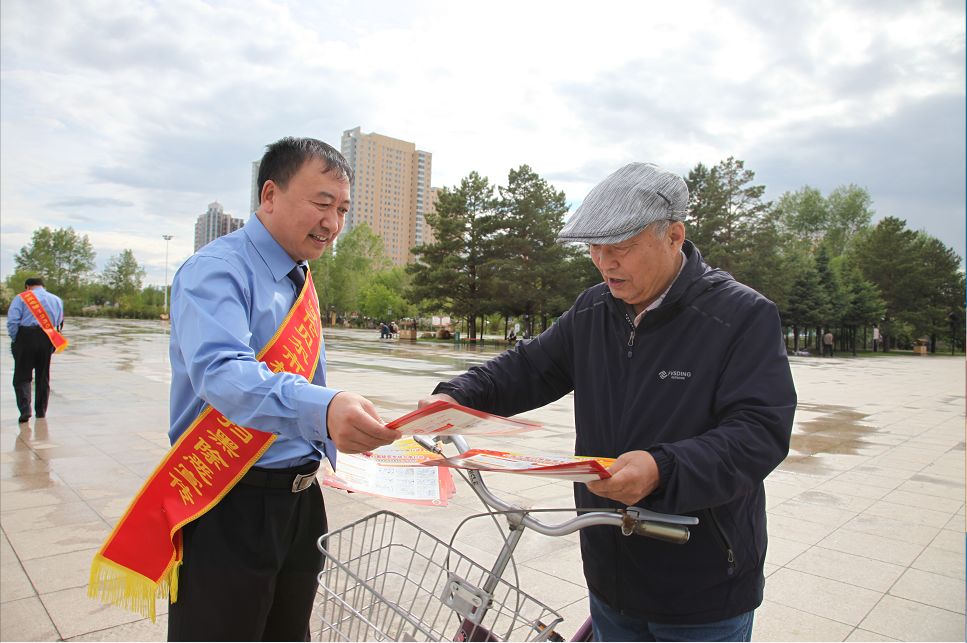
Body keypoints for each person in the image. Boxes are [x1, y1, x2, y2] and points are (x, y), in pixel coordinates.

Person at [419, 163, 796, 642]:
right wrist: (456, 395)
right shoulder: (594, 309)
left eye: (619, 248)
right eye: (594, 248)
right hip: (608, 571)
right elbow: (530, 368)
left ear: (674, 236)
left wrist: (663, 468)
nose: (604, 262)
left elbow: (759, 433)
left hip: (701, 582)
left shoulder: (741, 316)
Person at [166, 137, 399, 640]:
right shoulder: (216, 270)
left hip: (299, 501)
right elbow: (223, 373)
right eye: (321, 204)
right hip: (229, 501)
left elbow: (307, 383)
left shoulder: (299, 276)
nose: (333, 223)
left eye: (342, 209)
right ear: (270, 194)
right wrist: (325, 407)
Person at [7, 277, 64, 424]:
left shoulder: (21, 298)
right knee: (43, 376)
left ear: (27, 287)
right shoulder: (56, 299)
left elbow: (13, 322)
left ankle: (25, 410)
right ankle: (41, 412)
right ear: (42, 286)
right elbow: (58, 321)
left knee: (22, 376)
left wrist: (15, 339)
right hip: (47, 339)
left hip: (25, 337)